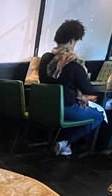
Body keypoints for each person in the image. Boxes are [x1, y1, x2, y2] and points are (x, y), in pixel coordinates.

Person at [41, 20, 104, 156]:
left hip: (44, 108)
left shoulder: (45, 59)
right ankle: (66, 142)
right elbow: (88, 90)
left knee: (84, 110)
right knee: (99, 115)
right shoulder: (73, 64)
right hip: (66, 109)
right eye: (76, 41)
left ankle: (63, 144)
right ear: (71, 41)